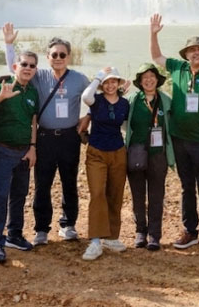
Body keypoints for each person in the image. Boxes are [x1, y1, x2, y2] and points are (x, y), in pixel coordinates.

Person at [3, 23, 90, 245]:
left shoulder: (79, 79)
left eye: (63, 54)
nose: (58, 57)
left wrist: (87, 117)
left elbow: (97, 98)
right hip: (45, 138)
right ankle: (41, 229)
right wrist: (9, 44)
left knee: (70, 182)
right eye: (54, 54)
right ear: (47, 56)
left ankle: (68, 224)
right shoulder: (39, 76)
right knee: (43, 184)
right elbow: (15, 68)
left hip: (70, 137)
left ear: (69, 56)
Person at [149, 13, 199, 254]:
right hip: (179, 140)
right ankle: (190, 231)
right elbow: (156, 57)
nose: (197, 53)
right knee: (186, 187)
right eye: (192, 49)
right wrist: (153, 33)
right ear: (186, 54)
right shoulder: (178, 68)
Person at [0, 50, 39, 263]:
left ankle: (15, 234)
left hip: (24, 151)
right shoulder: (2, 87)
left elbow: (33, 121)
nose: (28, 68)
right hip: (3, 150)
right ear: (15, 67)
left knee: (19, 195)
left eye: (32, 66)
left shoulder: (33, 92)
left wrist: (33, 147)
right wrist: (0, 97)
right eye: (24, 64)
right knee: (1, 195)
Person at [79, 67, 131, 260]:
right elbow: (85, 96)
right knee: (97, 193)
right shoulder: (96, 101)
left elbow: (128, 125)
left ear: (118, 84)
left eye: (114, 82)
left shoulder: (125, 104)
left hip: (118, 152)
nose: (110, 85)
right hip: (96, 153)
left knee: (116, 194)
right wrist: (98, 75)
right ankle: (94, 241)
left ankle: (111, 236)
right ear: (101, 84)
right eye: (106, 82)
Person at [125, 63, 175, 251]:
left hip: (158, 155)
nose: (148, 80)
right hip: (136, 153)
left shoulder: (165, 100)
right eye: (144, 77)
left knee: (156, 195)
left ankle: (154, 234)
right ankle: (140, 232)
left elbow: (174, 123)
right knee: (137, 194)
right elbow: (120, 122)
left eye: (152, 76)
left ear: (157, 79)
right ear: (139, 81)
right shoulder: (131, 100)